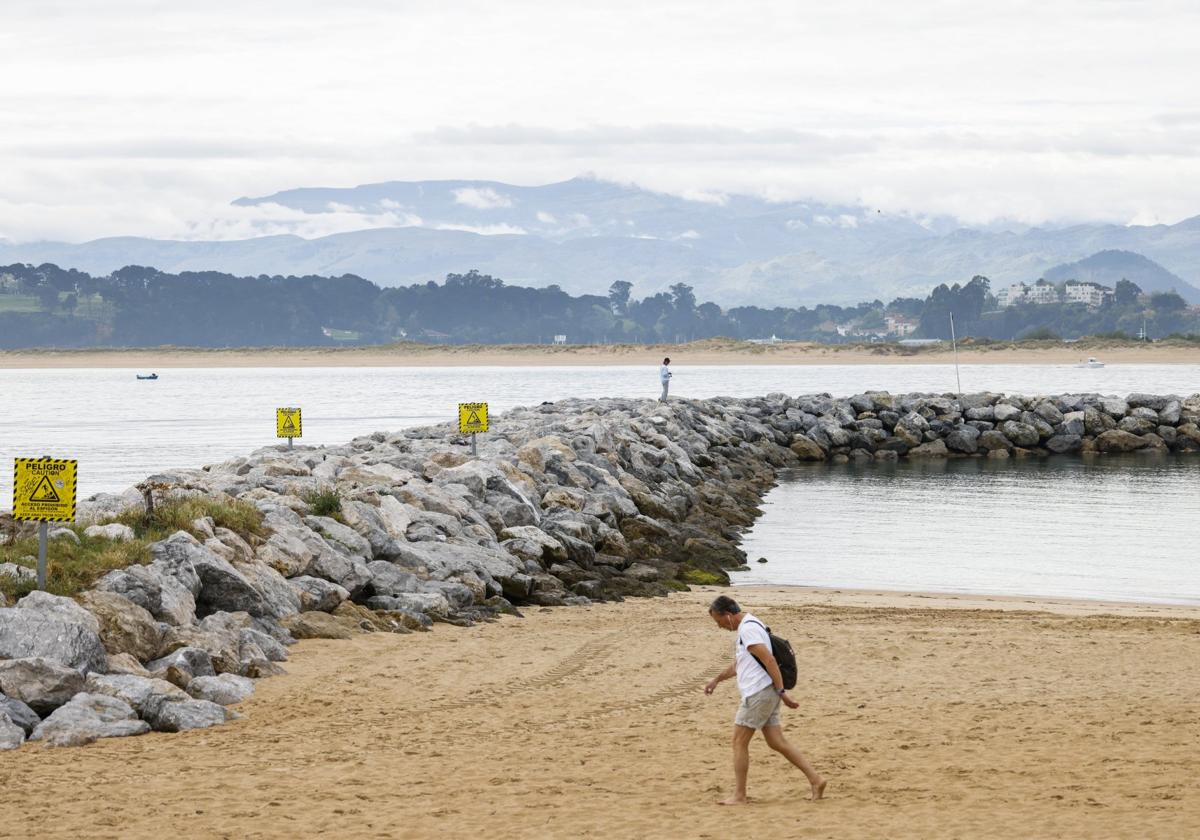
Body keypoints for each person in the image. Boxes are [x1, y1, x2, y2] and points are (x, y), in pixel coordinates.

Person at [704, 595, 826, 805]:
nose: (719, 626)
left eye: (719, 621)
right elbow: (740, 664)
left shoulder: (748, 629)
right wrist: (717, 679)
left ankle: (739, 795)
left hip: (759, 694)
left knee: (738, 742)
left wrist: (782, 692)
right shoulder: (752, 624)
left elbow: (769, 661)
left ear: (728, 615)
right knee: (776, 742)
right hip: (766, 692)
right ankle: (816, 780)